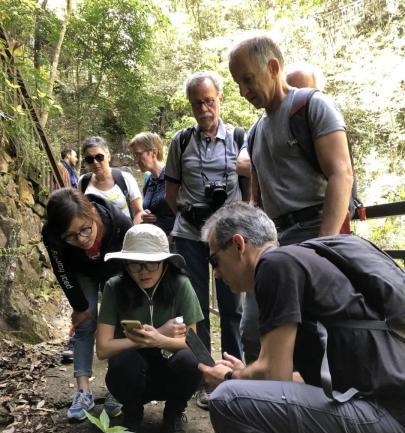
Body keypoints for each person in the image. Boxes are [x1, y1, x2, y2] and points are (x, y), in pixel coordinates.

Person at [198, 202, 405, 433]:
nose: (217, 273)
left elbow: (275, 376)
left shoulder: (275, 264)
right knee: (259, 403)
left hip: (392, 430)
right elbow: (296, 383)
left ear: (238, 245)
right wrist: (250, 376)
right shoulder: (314, 264)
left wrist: (233, 378)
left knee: (230, 402)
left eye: (214, 261)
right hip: (389, 425)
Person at [231, 35, 353, 363]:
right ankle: (264, 393)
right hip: (272, 243)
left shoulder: (312, 106)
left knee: (316, 336)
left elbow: (341, 173)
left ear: (273, 67)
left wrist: (324, 246)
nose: (243, 91)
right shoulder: (255, 132)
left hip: (315, 232)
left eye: (247, 79)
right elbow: (257, 200)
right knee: (254, 330)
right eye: (238, 83)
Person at [165, 71, 246, 407]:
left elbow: (251, 190)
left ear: (220, 99)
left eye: (209, 101)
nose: (204, 108)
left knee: (232, 308)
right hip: (189, 234)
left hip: (229, 237)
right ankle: (204, 376)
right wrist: (191, 215)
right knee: (194, 308)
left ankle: (233, 378)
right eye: (197, 103)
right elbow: (171, 192)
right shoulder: (181, 141)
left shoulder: (240, 137)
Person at [96, 224, 203, 433]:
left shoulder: (181, 285)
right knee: (122, 361)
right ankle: (132, 415)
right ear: (126, 263)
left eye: (151, 263)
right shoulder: (114, 287)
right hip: (133, 373)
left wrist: (160, 340)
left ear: (165, 262)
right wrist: (153, 335)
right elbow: (103, 348)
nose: (143, 271)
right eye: (135, 264)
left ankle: (173, 415)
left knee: (190, 361)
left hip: (170, 371)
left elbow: (194, 345)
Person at [42, 188, 133, 421]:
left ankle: (117, 387)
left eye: (85, 229)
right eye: (71, 236)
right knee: (84, 324)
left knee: (118, 324)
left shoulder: (120, 224)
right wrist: (79, 306)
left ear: (92, 213)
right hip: (81, 272)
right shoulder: (52, 236)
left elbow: (130, 267)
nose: (81, 240)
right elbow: (61, 271)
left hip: (114, 268)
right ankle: (83, 392)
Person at [79, 136, 143, 224]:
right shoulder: (83, 181)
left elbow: (139, 212)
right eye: (89, 159)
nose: (95, 162)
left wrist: (132, 230)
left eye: (99, 157)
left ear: (108, 156)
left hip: (124, 230)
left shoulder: (125, 178)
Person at [128, 132, 175, 235]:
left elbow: (183, 214)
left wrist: (160, 220)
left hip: (173, 240)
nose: (136, 160)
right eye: (134, 155)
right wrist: (146, 216)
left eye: (139, 154)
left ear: (154, 152)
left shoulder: (173, 176)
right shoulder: (148, 178)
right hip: (154, 239)